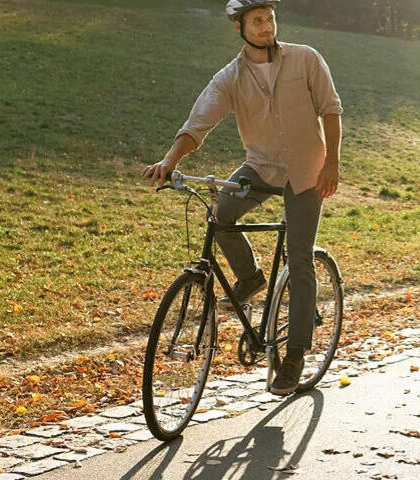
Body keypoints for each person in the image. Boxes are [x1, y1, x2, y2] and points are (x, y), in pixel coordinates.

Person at [143, 0, 343, 396]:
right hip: (261, 166)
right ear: (240, 28)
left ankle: (294, 357)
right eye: (257, 21)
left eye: (269, 19)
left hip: (307, 171)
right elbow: (198, 122)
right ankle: (250, 277)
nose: (266, 27)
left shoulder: (306, 59)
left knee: (299, 257)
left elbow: (331, 110)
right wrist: (169, 160)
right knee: (221, 215)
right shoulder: (230, 78)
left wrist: (332, 163)